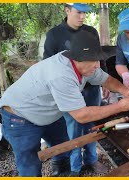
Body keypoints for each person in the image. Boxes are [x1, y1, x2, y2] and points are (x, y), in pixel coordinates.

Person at [0, 31, 129, 176]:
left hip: (47, 111)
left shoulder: (85, 64)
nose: (98, 65)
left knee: (62, 144)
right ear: (78, 60)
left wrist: (124, 90)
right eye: (94, 61)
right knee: (30, 164)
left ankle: (60, 169)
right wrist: (121, 106)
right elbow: (81, 115)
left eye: (98, 60)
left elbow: (106, 80)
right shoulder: (61, 75)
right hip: (20, 116)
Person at [43, 3, 108, 175]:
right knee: (73, 128)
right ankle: (75, 167)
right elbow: (47, 65)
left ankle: (92, 160)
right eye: (78, 12)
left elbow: (99, 58)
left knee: (92, 125)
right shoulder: (54, 35)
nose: (82, 17)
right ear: (67, 10)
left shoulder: (91, 31)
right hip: (69, 91)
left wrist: (105, 82)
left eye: (84, 13)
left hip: (91, 87)